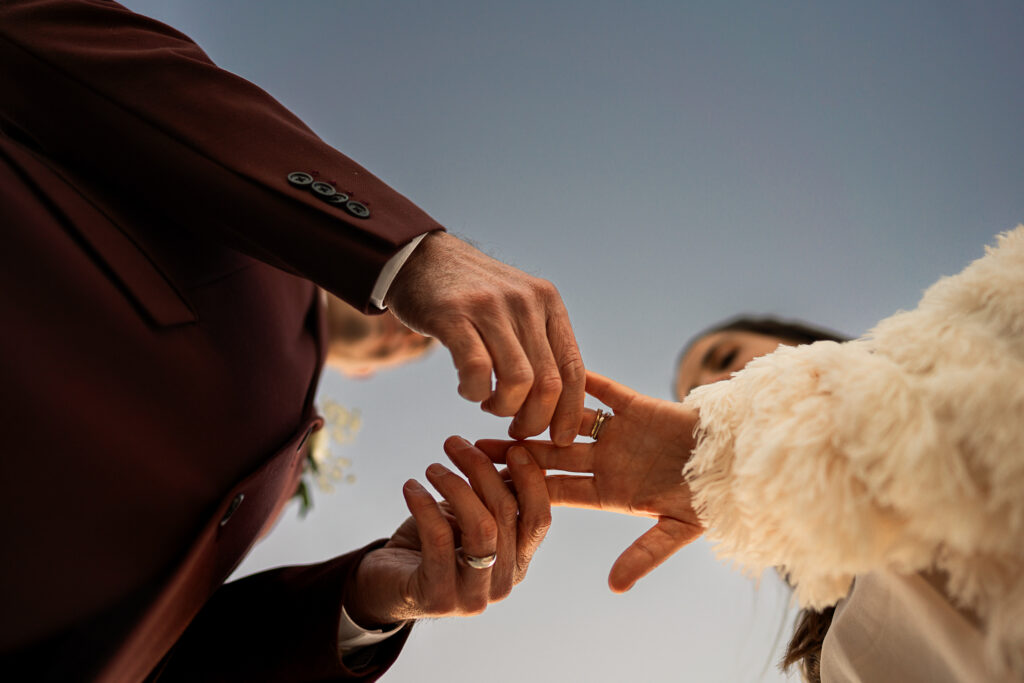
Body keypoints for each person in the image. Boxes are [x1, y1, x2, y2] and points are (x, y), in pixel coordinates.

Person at [0, 0, 581, 679]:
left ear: (363, 376)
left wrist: (364, 600)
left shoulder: (276, 481)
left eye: (411, 351)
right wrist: (407, 253)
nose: (408, 336)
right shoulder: (230, 199)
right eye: (425, 328)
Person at [479, 226, 1024, 682]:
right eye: (695, 393)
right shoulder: (841, 649)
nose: (715, 383)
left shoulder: (982, 335)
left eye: (725, 357)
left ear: (803, 340)